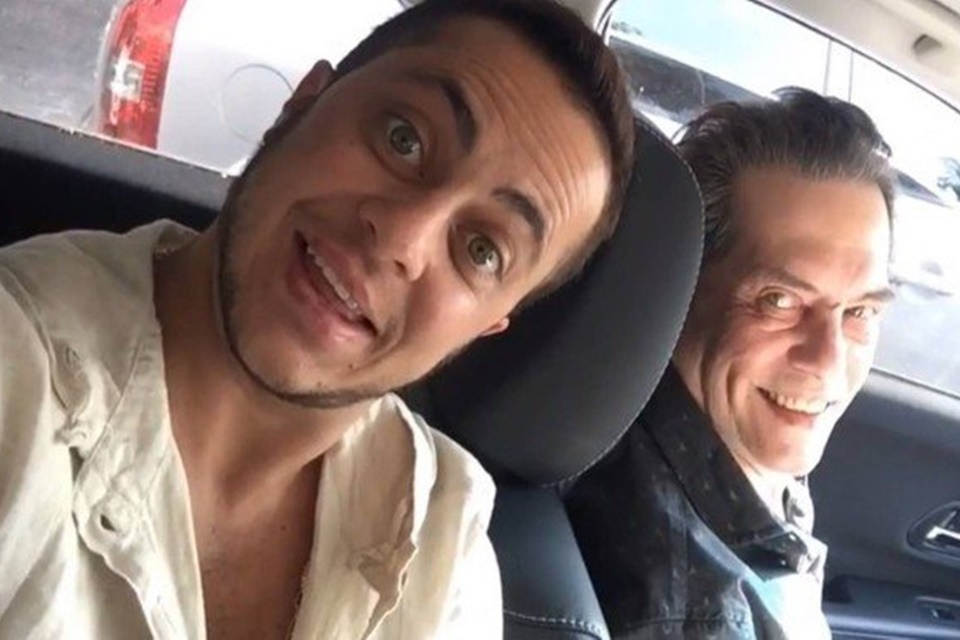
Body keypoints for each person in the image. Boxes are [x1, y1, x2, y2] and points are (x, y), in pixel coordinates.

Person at [0, 1, 636, 638]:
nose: (402, 239)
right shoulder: (19, 375)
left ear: (488, 325)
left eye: (481, 251)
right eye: (404, 139)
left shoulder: (447, 547)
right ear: (301, 103)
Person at [566, 87, 895, 639]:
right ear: (680, 291)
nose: (828, 361)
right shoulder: (690, 612)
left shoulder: (722, 447)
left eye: (860, 311)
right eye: (779, 301)